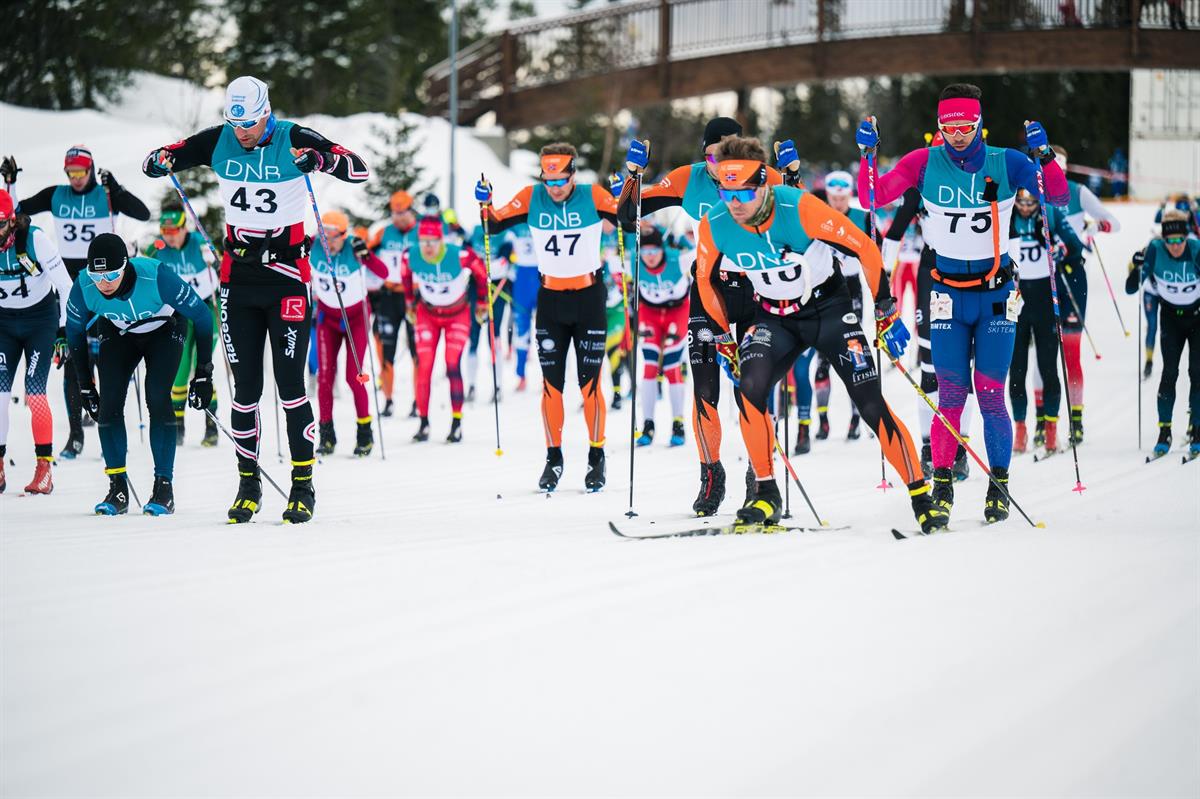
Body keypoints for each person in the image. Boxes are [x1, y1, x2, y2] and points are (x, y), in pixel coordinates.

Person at [141, 75, 369, 523]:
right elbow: (164, 157)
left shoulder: (293, 136)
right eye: (234, 123)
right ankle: (249, 483)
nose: (241, 133)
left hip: (286, 278)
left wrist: (319, 160)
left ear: (266, 111)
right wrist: (158, 160)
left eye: (248, 123)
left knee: (289, 386)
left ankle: (303, 486)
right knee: (244, 391)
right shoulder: (219, 140)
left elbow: (358, 168)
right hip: (239, 278)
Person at [693, 136, 943, 531]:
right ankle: (765, 493)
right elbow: (704, 280)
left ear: (763, 185)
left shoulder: (802, 208)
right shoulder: (715, 225)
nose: (734, 202)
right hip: (773, 318)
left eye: (743, 192)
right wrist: (724, 336)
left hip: (828, 310)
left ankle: (920, 495)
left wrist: (884, 308)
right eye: (726, 191)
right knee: (750, 390)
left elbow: (865, 247)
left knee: (870, 400)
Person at [856, 83, 1067, 522]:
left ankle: (999, 486)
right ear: (939, 126)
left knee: (990, 395)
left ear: (978, 124)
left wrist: (1044, 157)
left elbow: (1057, 195)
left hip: (993, 295)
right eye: (948, 127)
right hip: (947, 295)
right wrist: (868, 158)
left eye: (965, 127)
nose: (957, 136)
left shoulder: (1005, 161)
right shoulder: (923, 162)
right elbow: (871, 198)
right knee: (950, 393)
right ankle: (943, 485)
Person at [621, 117, 785, 515]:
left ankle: (759, 475)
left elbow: (799, 224)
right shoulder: (688, 179)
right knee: (705, 389)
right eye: (712, 155)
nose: (719, 163)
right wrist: (633, 176)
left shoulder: (767, 178)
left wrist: (794, 177)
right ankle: (711, 475)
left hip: (757, 290)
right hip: (709, 290)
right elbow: (628, 215)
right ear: (704, 154)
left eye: (728, 152)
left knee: (755, 388)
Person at [477, 143, 621, 491]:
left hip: (589, 298)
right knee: (551, 385)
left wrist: (625, 193)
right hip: (552, 299)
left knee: (589, 384)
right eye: (549, 181)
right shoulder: (532, 197)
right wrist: (485, 202)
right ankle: (553, 459)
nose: (554, 188)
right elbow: (493, 225)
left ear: (573, 175)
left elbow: (628, 219)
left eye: (560, 181)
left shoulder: (592, 195)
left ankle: (596, 457)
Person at [2, 147, 151, 459]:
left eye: (82, 173)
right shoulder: (58, 195)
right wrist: (11, 184)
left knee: (106, 355)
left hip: (105, 281)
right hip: (71, 282)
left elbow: (143, 213)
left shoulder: (106, 195)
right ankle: (75, 434)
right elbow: (13, 214)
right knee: (73, 359)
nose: (76, 179)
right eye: (71, 173)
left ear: (92, 170)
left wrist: (118, 190)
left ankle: (109, 424)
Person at [66, 234, 214, 515]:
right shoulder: (84, 285)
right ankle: (117, 488)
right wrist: (86, 385)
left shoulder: (156, 276)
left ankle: (163, 487)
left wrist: (204, 371)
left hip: (164, 329)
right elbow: (74, 334)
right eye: (97, 276)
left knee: (157, 397)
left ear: (125, 266)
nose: (104, 283)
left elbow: (203, 316)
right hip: (119, 332)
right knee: (109, 404)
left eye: (111, 274)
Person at [0, 189, 71, 494]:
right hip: (4, 324)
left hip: (40, 322)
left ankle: (44, 467)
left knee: (36, 392)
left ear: (12, 221)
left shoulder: (35, 239)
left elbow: (66, 286)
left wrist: (64, 332)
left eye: (0, 224)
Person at [1008, 188, 1084, 456]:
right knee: (1016, 368)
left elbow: (1075, 247)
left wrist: (1053, 246)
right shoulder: (1006, 213)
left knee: (1049, 366)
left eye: (1030, 203)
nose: (1026, 208)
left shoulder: (1049, 213)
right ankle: (1020, 427)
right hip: (1015, 300)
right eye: (1021, 202)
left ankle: (1051, 428)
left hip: (1043, 297)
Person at [402, 217, 488, 443]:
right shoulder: (411, 255)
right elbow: (405, 274)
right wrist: (410, 302)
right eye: (424, 242)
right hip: (427, 314)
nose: (428, 247)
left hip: (456, 314)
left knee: (452, 364)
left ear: (441, 240)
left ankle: (456, 423)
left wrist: (481, 303)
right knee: (425, 366)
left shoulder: (459, 255)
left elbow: (481, 273)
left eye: (432, 241)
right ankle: (423, 423)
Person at [312, 210, 388, 457]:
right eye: (324, 235)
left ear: (344, 235)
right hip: (328, 318)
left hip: (355, 318)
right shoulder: (313, 246)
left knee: (353, 376)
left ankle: (364, 433)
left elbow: (384, 273)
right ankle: (326, 434)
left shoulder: (354, 248)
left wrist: (366, 254)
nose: (328, 241)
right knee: (325, 377)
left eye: (333, 236)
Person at [1126, 210, 1200, 458]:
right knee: (1169, 373)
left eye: (1180, 240)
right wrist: (1136, 268)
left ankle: (1197, 427)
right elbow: (1130, 288)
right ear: (1164, 239)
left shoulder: (1195, 248)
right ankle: (1164, 431)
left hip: (1197, 316)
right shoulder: (1155, 249)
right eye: (1171, 241)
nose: (1176, 246)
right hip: (1170, 318)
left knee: (1197, 373)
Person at [145, 207, 220, 448]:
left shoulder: (200, 243)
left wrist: (215, 262)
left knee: (202, 365)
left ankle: (211, 425)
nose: (169, 236)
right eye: (165, 231)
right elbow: (144, 273)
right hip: (179, 315)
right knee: (179, 369)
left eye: (173, 231)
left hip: (206, 310)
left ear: (184, 227)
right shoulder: (157, 249)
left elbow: (224, 267)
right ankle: (178, 425)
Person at [633, 229, 691, 447]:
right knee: (649, 365)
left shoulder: (678, 260)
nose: (650, 255)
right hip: (650, 313)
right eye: (646, 250)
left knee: (671, 364)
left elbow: (704, 252)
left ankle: (678, 422)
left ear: (662, 249)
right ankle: (647, 424)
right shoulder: (635, 261)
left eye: (654, 250)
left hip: (678, 311)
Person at [368, 190, 419, 417]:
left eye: (402, 213)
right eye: (394, 213)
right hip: (389, 295)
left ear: (411, 210)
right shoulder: (384, 233)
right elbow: (365, 255)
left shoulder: (422, 232)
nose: (398, 217)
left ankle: (419, 400)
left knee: (418, 353)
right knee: (385, 350)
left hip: (414, 298)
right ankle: (388, 399)